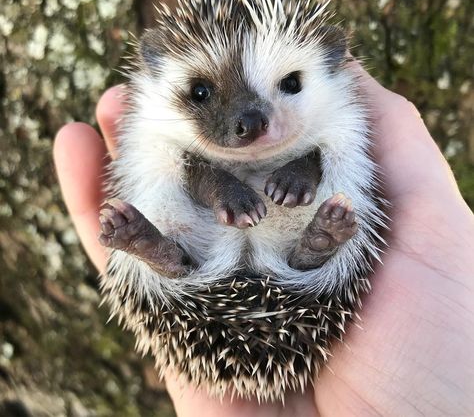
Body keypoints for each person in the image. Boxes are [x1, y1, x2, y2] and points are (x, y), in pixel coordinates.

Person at [53, 64, 474, 416]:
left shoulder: (332, 112)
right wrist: (222, 186)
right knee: (170, 175)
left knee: (333, 168)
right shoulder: (163, 123)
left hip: (279, 277)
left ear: (330, 65)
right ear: (157, 71)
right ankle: (306, 251)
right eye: (201, 92)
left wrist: (304, 167)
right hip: (239, 252)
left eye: (289, 85)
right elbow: (179, 170)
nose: (250, 124)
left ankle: (170, 256)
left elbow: (333, 154)